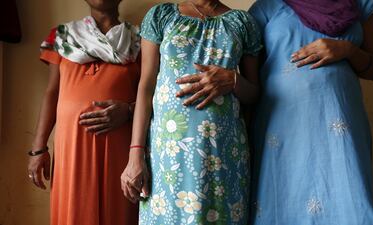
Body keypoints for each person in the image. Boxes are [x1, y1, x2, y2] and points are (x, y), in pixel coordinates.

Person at [120, 1, 262, 224]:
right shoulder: (162, 16)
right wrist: (135, 155)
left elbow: (254, 94)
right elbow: (145, 87)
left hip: (224, 154)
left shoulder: (242, 23)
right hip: (168, 155)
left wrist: (233, 80)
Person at [246, 0, 373, 224]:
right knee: (281, 201)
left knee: (348, 201)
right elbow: (250, 83)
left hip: (341, 121)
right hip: (282, 127)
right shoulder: (266, 7)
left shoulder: (361, 3)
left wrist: (348, 50)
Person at [27, 0, 141, 224]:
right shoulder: (62, 37)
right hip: (71, 150)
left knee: (117, 212)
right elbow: (52, 92)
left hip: (121, 149)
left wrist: (128, 111)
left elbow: (154, 97)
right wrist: (38, 149)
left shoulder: (140, 41)